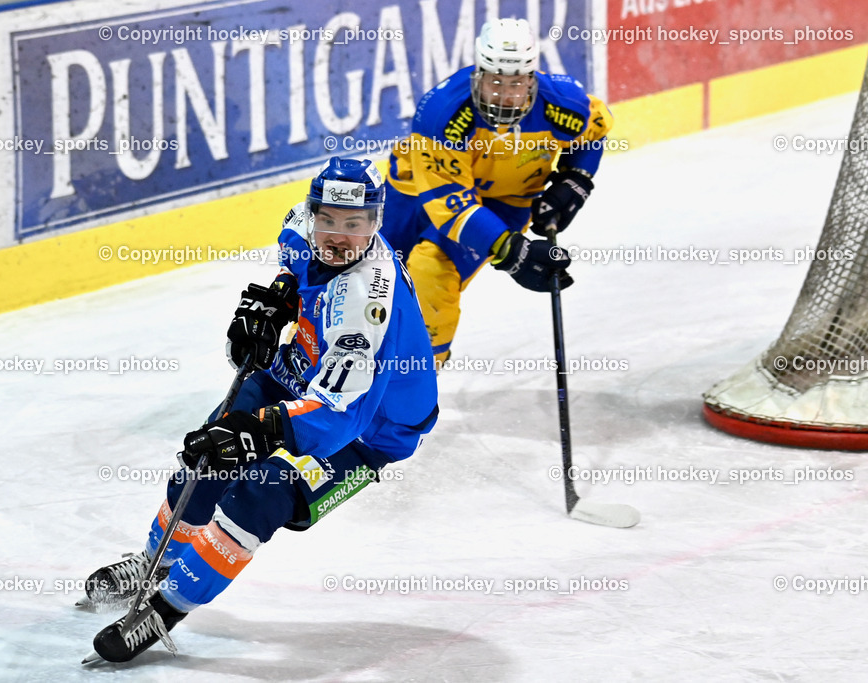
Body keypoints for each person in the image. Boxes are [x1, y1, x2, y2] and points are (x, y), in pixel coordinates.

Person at [82, 157, 440, 663]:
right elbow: (294, 268)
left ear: (376, 224)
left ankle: (166, 608)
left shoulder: (367, 303)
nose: (338, 236)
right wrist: (279, 299)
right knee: (207, 454)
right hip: (301, 374)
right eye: (329, 221)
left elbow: (343, 413)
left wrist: (261, 431)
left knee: (258, 496)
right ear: (313, 213)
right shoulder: (298, 226)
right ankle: (154, 561)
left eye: (355, 225)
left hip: (371, 429)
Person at [381, 18, 613, 364]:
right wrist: (510, 249)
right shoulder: (443, 111)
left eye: (516, 83)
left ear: (531, 80)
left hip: (503, 202)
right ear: (479, 74)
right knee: (368, 273)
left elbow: (596, 131)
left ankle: (413, 384)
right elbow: (449, 202)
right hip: (413, 192)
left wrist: (576, 179)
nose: (505, 94)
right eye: (495, 82)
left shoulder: (563, 104)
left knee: (431, 272)